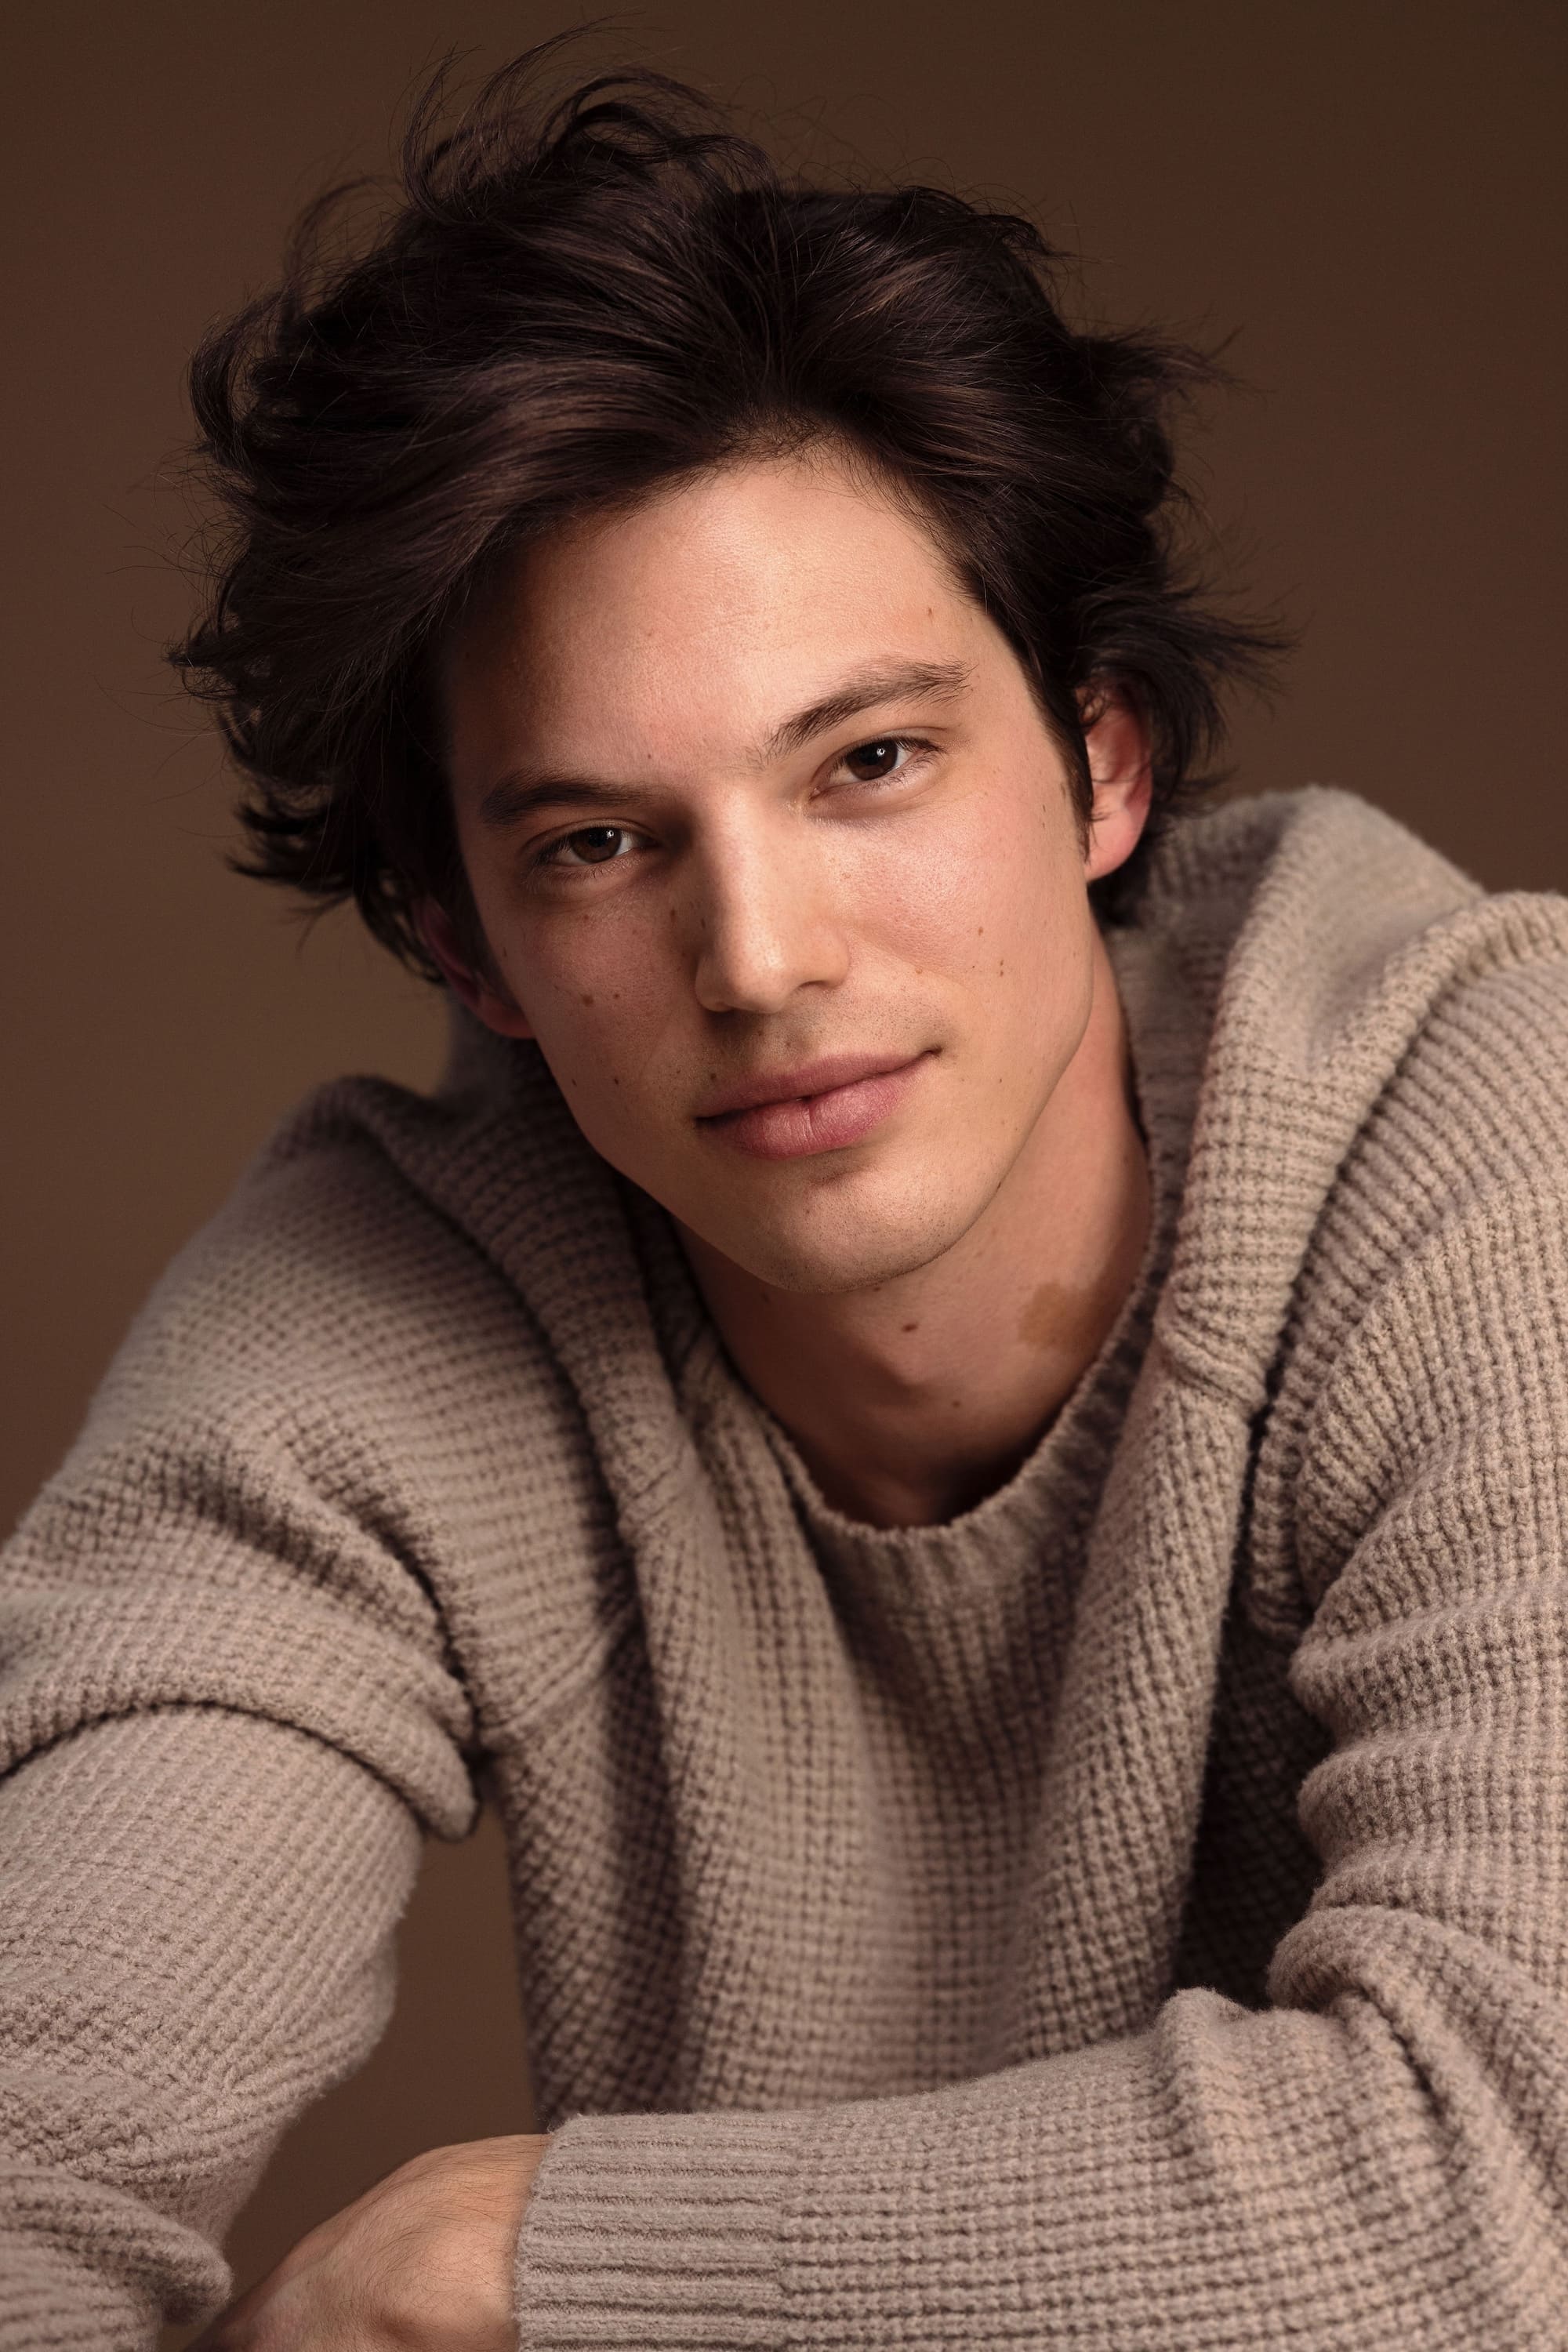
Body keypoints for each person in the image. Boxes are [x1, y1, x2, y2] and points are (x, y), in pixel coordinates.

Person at [3, 43, 1566, 2352]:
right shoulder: (389, 1321)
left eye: (873, 762)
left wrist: (510, 2267)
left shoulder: (1482, 1138)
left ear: (1102, 763)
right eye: (598, 843)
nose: (760, 961)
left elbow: (1504, 2179)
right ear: (466, 946)